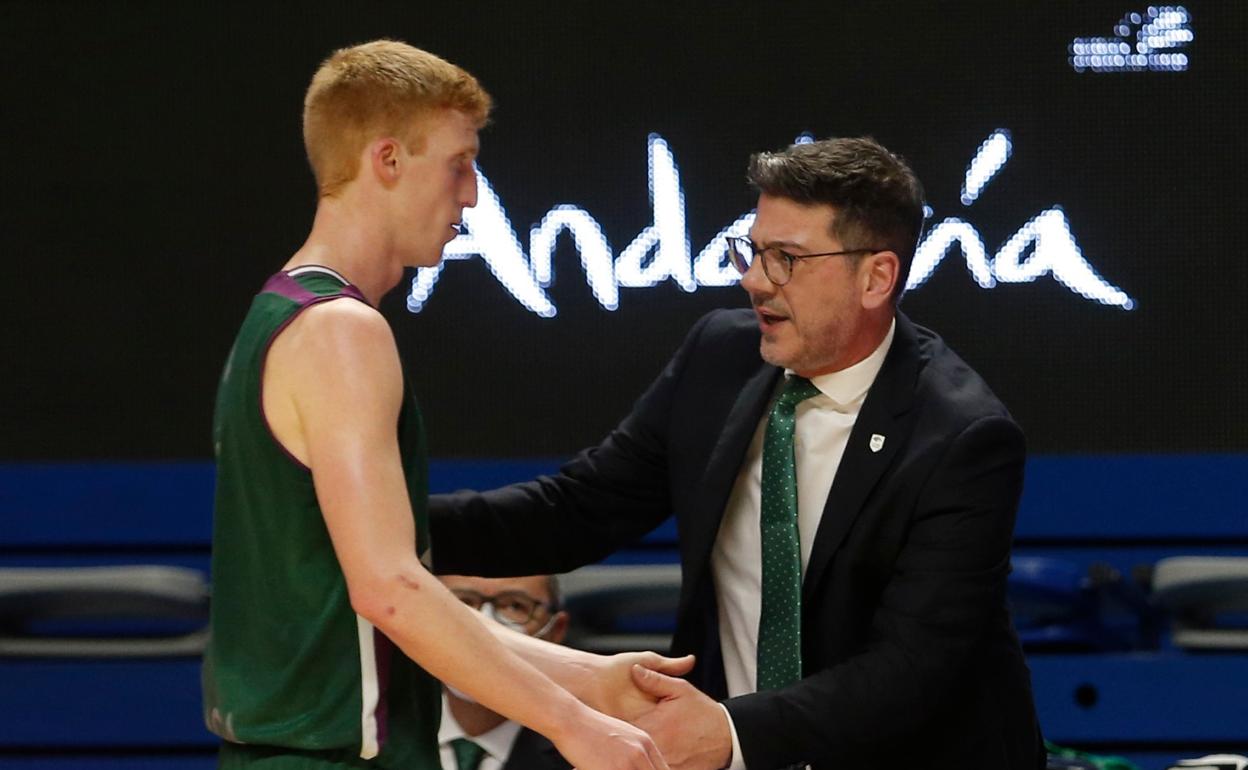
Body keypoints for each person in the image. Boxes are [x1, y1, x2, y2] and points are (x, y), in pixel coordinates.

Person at [429, 137, 1044, 769]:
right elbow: (578, 509)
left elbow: (910, 672)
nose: (753, 280)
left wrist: (728, 731)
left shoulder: (963, 437)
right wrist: (386, 529)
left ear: (876, 277)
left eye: (786, 259)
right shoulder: (719, 357)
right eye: (753, 251)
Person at [202, 39, 688, 770]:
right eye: (460, 165)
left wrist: (594, 682)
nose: (471, 195)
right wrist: (573, 724)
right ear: (388, 160)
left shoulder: (281, 317)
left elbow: (383, 596)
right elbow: (391, 594)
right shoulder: (341, 331)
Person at [438, 574, 573, 770]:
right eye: (463, 601)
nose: (484, 626)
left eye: (514, 606)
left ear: (555, 630)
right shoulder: (382, 735)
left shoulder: (587, 755)